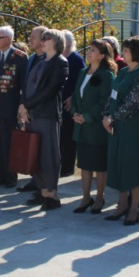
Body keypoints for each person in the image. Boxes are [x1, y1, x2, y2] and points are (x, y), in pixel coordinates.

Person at [103, 36, 139, 225]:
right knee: (120, 164)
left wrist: (113, 117)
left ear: (136, 52)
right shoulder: (124, 71)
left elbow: (133, 102)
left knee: (134, 166)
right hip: (118, 125)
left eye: (126, 50)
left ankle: (134, 208)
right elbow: (113, 95)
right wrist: (106, 115)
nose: (123, 53)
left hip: (134, 126)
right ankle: (122, 204)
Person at [19, 28, 69, 209]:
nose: (43, 40)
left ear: (56, 41)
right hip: (33, 114)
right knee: (36, 154)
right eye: (43, 38)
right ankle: (42, 191)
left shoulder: (60, 62)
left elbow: (50, 90)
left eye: (46, 38)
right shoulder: (41, 61)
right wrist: (23, 107)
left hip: (47, 114)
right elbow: (28, 85)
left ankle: (52, 195)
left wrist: (27, 105)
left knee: (49, 154)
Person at [71, 40, 116, 213]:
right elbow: (76, 95)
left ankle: (99, 198)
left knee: (99, 165)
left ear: (102, 55)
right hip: (81, 126)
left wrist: (87, 117)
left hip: (96, 127)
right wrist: (75, 113)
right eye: (89, 49)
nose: (88, 52)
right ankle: (85, 198)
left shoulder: (106, 75)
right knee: (84, 164)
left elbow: (104, 101)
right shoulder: (83, 72)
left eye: (93, 50)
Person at [0, 25, 27, 188]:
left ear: (9, 39)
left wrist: (22, 105)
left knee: (9, 142)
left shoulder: (20, 57)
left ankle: (10, 177)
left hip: (10, 106)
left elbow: (24, 84)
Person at [60, 30, 85, 177]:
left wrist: (72, 97)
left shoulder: (76, 59)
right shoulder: (58, 57)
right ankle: (60, 164)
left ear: (68, 43)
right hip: (59, 101)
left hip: (69, 103)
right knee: (60, 136)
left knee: (68, 136)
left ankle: (68, 167)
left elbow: (81, 81)